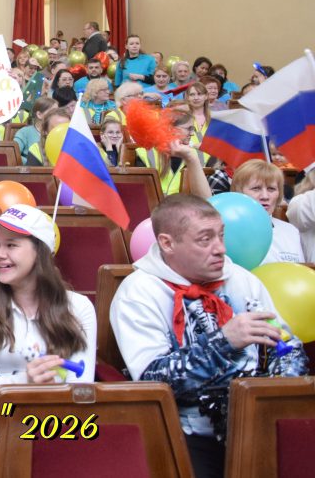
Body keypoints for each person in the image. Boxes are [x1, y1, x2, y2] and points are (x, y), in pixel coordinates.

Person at [110, 194, 308, 478]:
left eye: (221, 235)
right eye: (205, 239)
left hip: (257, 422)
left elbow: (287, 346)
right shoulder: (139, 292)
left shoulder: (241, 279)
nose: (221, 249)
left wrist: (277, 400)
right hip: (182, 432)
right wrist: (224, 342)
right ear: (167, 243)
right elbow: (153, 382)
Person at [0, 205, 95, 472]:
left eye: (11, 245)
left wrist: (48, 387)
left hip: (60, 424)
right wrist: (25, 382)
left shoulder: (79, 307)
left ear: (39, 252)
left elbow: (82, 385)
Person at [229, 160, 304, 264]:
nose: (265, 196)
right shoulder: (227, 231)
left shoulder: (291, 231)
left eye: (271, 189)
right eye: (256, 188)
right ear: (239, 192)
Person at [13, 97, 57, 165]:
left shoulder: (58, 132)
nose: (57, 116)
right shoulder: (25, 132)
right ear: (39, 114)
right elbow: (13, 154)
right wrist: (32, 162)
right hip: (31, 170)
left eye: (58, 112)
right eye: (53, 112)